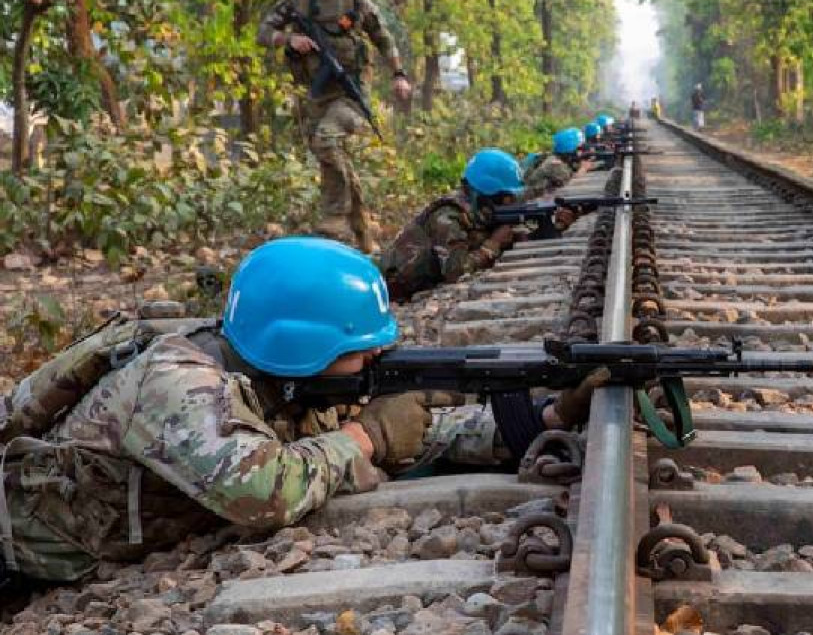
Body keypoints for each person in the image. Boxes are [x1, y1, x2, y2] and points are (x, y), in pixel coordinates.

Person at [0, 237, 607, 583]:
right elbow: (264, 491)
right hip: (21, 561)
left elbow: (418, 435)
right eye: (357, 348)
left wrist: (543, 420)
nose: (377, 355)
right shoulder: (176, 384)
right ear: (301, 348)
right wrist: (366, 440)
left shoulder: (285, 377)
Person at [257, 0, 413, 254]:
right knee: (329, 159)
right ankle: (362, 230)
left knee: (327, 141)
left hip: (350, 94)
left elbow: (384, 40)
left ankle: (334, 220)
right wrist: (289, 39)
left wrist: (399, 75)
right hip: (317, 94)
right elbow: (263, 32)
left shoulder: (356, 3)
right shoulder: (295, 4)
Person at [379, 149, 525, 301]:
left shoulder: (478, 211)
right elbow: (456, 272)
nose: (508, 204)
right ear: (485, 196)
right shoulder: (447, 216)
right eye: (505, 199)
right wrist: (492, 245)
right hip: (390, 288)